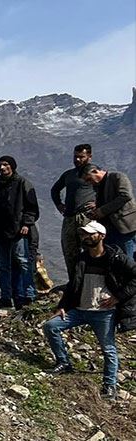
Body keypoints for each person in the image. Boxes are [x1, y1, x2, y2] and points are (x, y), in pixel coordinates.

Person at [44, 221, 136, 399]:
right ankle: (64, 362)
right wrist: (62, 306)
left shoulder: (116, 258)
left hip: (103, 312)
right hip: (79, 309)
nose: (86, 237)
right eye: (84, 234)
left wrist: (118, 297)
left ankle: (109, 385)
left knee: (108, 349)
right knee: (51, 326)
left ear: (101, 236)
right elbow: (73, 285)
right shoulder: (82, 259)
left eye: (90, 234)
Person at [0, 156, 40, 308]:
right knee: (3, 266)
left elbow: (31, 207)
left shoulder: (22, 183)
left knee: (23, 262)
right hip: (0, 232)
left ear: (12, 166)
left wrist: (27, 224)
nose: (2, 168)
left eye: (6, 164)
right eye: (0, 165)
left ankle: (28, 295)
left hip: (18, 231)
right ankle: (6, 297)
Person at [52, 143, 96, 279]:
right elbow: (55, 189)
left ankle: (91, 279)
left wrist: (98, 203)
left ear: (89, 157)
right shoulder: (69, 174)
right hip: (70, 217)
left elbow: (106, 189)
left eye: (81, 157)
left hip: (86, 217)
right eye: (75, 157)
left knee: (90, 248)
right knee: (69, 250)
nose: (77, 160)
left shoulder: (94, 172)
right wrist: (59, 204)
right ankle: (74, 280)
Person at [82, 165, 136, 259]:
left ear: (95, 171)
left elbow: (125, 196)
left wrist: (102, 211)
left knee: (127, 258)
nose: (89, 183)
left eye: (89, 179)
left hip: (123, 226)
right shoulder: (98, 186)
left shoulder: (117, 177)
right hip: (108, 229)